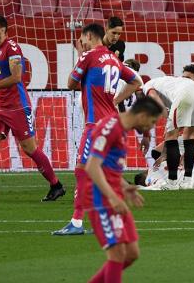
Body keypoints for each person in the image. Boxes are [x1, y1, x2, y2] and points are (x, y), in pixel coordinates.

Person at [0, 15, 64, 203]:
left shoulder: (12, 47)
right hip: (0, 106)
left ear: (2, 29)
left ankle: (56, 185)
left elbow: (17, 77)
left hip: (18, 106)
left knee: (29, 149)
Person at [53, 23, 141, 235]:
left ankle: (76, 222)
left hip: (96, 125)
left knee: (82, 169)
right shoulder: (114, 59)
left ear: (89, 36)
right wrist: (116, 99)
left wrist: (81, 55)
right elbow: (136, 81)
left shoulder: (89, 55)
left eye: (83, 39)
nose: (82, 42)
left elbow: (71, 83)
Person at [84, 96, 163, 283]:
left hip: (115, 194)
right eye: (152, 122)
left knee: (132, 253)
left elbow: (108, 168)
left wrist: (125, 187)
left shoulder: (122, 129)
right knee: (118, 254)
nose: (151, 128)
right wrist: (112, 197)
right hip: (100, 198)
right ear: (143, 115)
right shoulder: (109, 128)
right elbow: (92, 166)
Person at [142, 75, 194, 190]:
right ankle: (187, 181)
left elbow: (159, 105)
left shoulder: (147, 86)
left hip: (186, 94)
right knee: (190, 136)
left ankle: (172, 183)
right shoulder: (167, 83)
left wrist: (168, 120)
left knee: (171, 136)